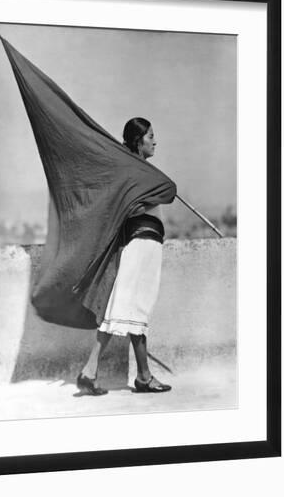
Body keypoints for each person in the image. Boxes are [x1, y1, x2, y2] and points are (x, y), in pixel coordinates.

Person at [76, 117, 172, 396]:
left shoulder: (139, 171)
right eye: (150, 136)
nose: (155, 141)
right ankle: (94, 370)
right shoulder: (134, 172)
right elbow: (127, 206)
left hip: (143, 242)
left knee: (127, 311)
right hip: (142, 243)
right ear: (137, 141)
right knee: (128, 309)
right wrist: (153, 193)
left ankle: (137, 375)